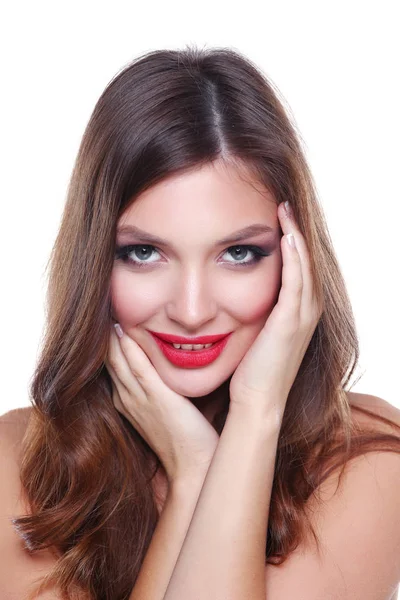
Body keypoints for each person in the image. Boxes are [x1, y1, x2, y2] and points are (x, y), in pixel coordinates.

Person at [1, 45, 399, 600]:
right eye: (144, 253)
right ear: (94, 263)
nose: (191, 312)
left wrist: (256, 413)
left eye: (238, 254)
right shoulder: (16, 462)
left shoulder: (369, 460)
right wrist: (192, 474)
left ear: (293, 257)